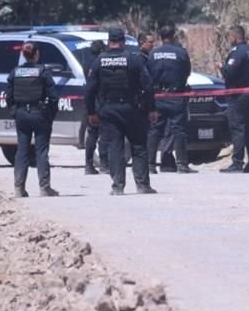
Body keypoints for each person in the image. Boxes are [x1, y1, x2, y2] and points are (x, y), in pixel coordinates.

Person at [85, 28, 158, 195]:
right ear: (123, 41)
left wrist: (91, 112)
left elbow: (89, 90)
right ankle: (142, 185)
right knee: (139, 146)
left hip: (109, 110)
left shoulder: (99, 61)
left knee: (115, 147)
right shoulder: (133, 59)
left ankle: (118, 186)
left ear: (109, 41)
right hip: (132, 109)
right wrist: (152, 108)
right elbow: (148, 86)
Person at [4, 41, 59, 197]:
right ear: (36, 54)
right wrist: (50, 115)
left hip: (21, 115)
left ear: (23, 55)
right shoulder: (43, 72)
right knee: (41, 152)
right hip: (39, 114)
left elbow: (8, 97)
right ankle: (44, 187)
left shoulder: (15, 72)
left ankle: (19, 188)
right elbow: (54, 97)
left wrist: (14, 112)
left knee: (22, 151)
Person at [147, 24, 196, 174]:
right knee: (179, 130)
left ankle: (150, 165)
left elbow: (148, 74)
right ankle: (182, 164)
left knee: (155, 130)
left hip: (158, 96)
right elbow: (187, 72)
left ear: (160, 37)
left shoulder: (153, 54)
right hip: (176, 96)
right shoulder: (181, 53)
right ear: (173, 36)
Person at [219, 25, 249, 173]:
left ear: (235, 37)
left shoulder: (238, 53)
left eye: (230, 37)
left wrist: (221, 67)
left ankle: (237, 163)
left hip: (238, 95)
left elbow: (229, 72)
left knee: (237, 128)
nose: (229, 40)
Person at [83, 40, 109, 175]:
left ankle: (88, 164)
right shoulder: (100, 63)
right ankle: (104, 164)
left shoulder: (87, 62)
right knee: (103, 134)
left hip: (91, 102)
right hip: (101, 100)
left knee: (92, 134)